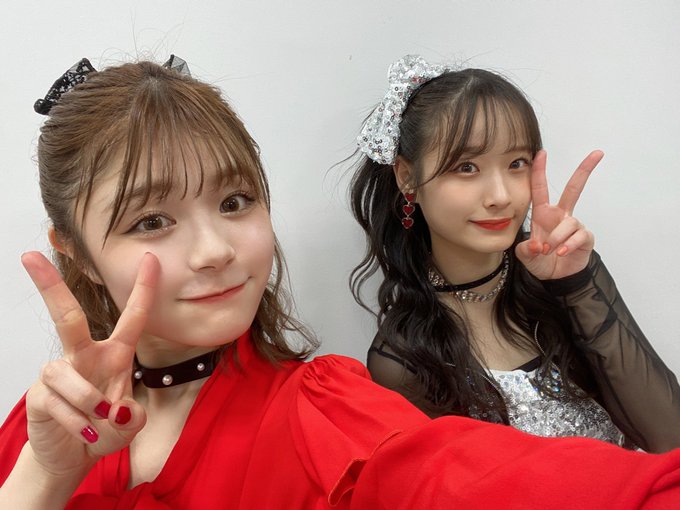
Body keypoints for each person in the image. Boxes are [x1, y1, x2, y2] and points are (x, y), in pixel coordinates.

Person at [2, 56, 680, 510]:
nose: (214, 251)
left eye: (236, 202)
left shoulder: (325, 417)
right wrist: (45, 475)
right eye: (152, 220)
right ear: (76, 252)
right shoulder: (39, 428)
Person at [350, 54, 680, 454]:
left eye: (516, 163)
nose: (501, 196)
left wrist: (574, 284)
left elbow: (671, 440)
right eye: (466, 167)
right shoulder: (405, 360)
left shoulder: (564, 275)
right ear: (408, 177)